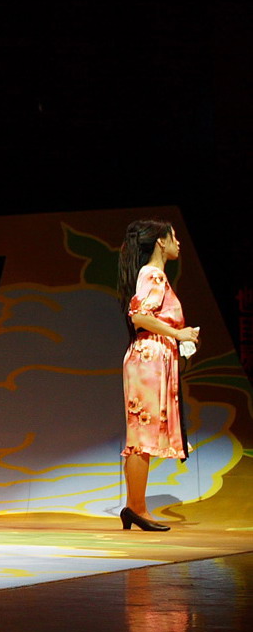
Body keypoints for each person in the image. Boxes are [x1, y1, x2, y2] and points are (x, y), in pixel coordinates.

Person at [116, 219, 200, 532]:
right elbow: (139, 316)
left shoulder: (153, 275)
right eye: (173, 236)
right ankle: (136, 508)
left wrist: (180, 338)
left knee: (142, 436)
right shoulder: (153, 274)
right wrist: (178, 334)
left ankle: (134, 507)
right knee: (141, 436)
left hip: (152, 357)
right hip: (148, 359)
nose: (178, 242)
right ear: (161, 242)